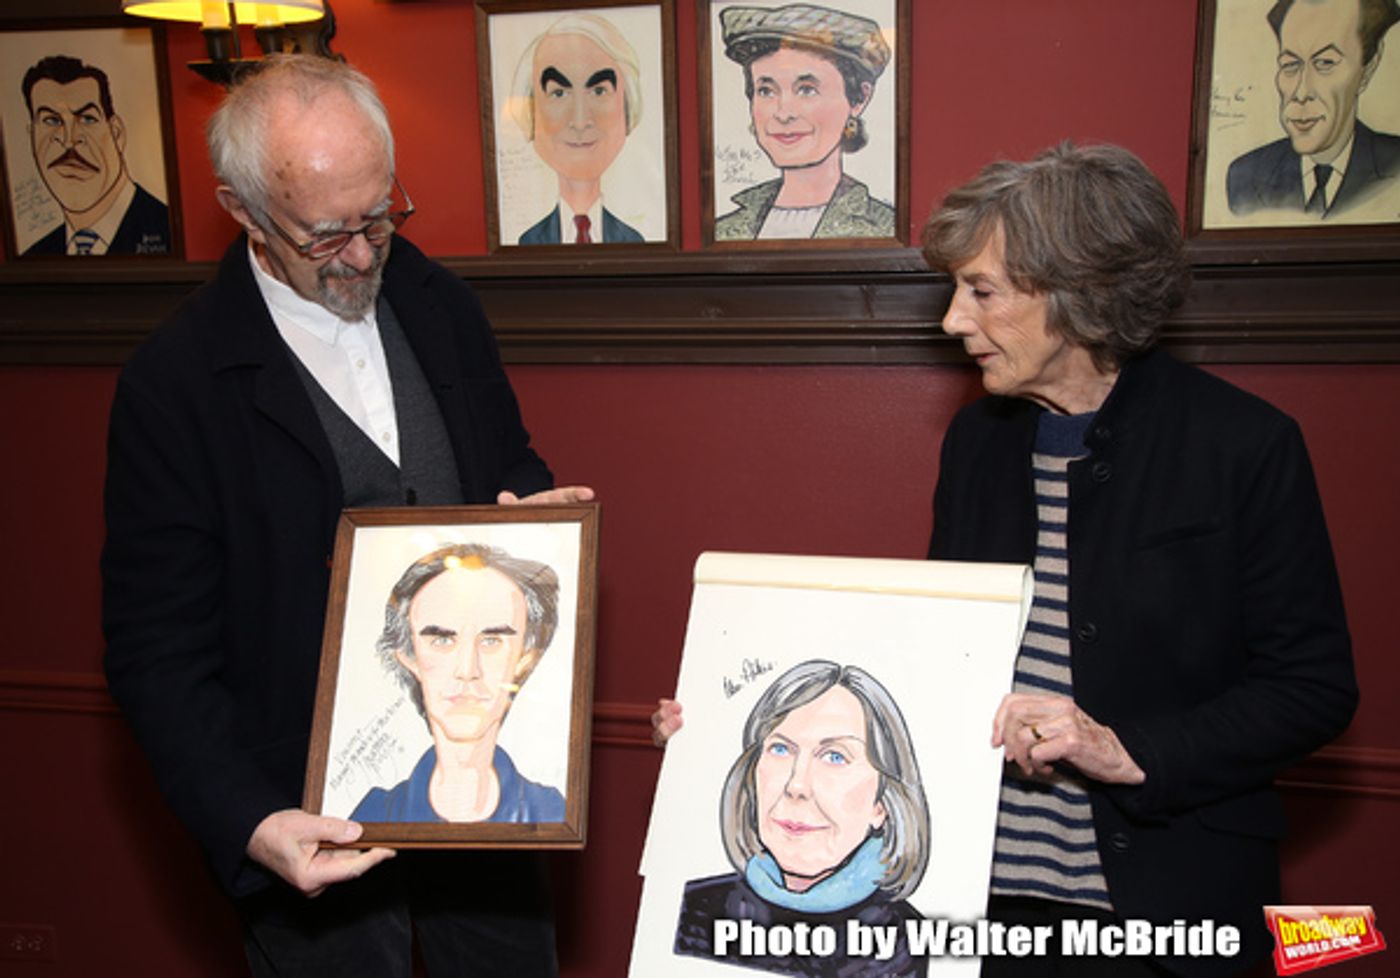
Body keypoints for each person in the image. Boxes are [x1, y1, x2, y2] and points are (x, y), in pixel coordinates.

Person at [102, 54, 591, 978]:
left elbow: (511, 465)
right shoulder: (174, 386)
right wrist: (248, 822)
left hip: (487, 789)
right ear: (243, 210)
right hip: (303, 818)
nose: (364, 254)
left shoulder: (442, 306)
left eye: (380, 217)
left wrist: (534, 514)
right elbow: (152, 648)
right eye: (328, 236)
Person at [923, 142, 1356, 977]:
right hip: (983, 911)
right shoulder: (977, 442)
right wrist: (736, 719)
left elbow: (1313, 688)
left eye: (981, 291)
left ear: (1081, 295)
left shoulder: (1244, 445)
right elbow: (944, 653)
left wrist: (1128, 750)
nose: (953, 321)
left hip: (1165, 916)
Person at [674, 660, 929, 978]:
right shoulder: (695, 910)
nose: (796, 785)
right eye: (781, 749)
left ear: (882, 805)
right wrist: (682, 740)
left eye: (835, 757)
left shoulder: (911, 943)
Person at [352, 543, 565, 823]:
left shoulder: (551, 811)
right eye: (442, 640)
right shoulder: (374, 814)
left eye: (492, 641)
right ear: (408, 656)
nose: (468, 670)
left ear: (525, 658)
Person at [714, 3, 894, 241]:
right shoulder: (724, 231)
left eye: (807, 90)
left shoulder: (884, 228)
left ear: (859, 98)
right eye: (767, 91)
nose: (783, 113)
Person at [1227, 0, 1400, 217]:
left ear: (1367, 69)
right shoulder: (1246, 178)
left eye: (1325, 63)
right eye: (1290, 65)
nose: (1301, 93)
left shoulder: (1394, 165)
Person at [509, 13, 645, 244]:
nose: (580, 121)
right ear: (531, 112)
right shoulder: (526, 241)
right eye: (559, 93)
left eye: (599, 91)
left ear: (628, 105)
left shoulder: (635, 240)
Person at [21, 54, 170, 255]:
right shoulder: (37, 255)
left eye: (87, 119)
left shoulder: (167, 230)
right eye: (51, 121)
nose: (68, 140)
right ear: (32, 135)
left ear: (116, 133)